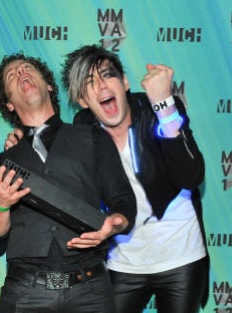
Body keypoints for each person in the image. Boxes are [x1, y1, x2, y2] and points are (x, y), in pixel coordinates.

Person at [0, 53, 137, 313]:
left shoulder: (93, 137)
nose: (21, 73)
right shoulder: (2, 163)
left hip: (91, 292)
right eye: (12, 75)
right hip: (25, 294)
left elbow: (123, 200)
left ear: (49, 85)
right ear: (9, 104)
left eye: (28, 68)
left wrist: (114, 224)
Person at [62, 44, 209, 312]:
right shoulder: (83, 129)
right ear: (83, 101)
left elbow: (190, 175)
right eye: (88, 83)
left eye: (107, 75)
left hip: (181, 256)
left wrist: (164, 105)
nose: (101, 87)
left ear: (125, 82)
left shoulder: (158, 108)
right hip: (123, 262)